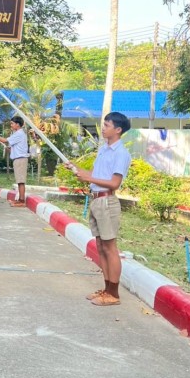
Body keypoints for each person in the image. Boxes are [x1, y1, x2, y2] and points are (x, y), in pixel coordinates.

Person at [65, 112, 132, 307]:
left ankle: (114, 293)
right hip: (96, 200)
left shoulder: (121, 153)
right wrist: (77, 169)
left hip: (107, 202)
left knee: (110, 248)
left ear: (118, 130)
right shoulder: (104, 150)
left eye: (107, 125)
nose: (103, 128)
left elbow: (114, 183)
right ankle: (106, 289)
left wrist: (89, 178)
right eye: (104, 124)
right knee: (101, 247)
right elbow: (95, 175)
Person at [0, 115, 29, 206]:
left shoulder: (19, 134)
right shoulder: (17, 134)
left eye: (12, 123)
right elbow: (17, 148)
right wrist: (10, 150)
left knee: (21, 181)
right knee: (19, 180)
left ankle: (22, 201)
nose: (11, 125)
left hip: (20, 159)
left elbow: (4, 140)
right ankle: (20, 199)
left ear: (18, 124)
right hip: (18, 159)